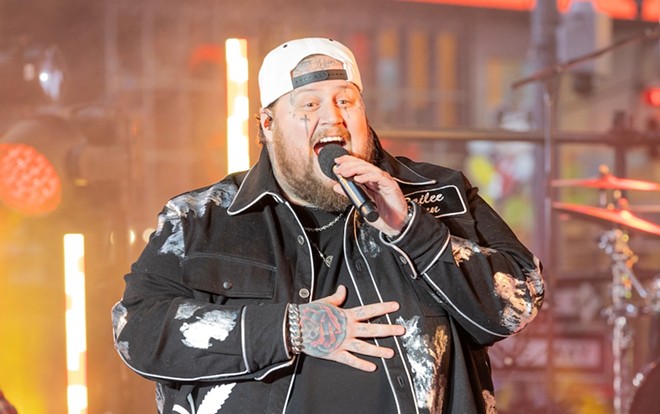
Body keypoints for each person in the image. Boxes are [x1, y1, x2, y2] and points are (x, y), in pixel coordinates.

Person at [112, 37, 544, 414]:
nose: (333, 118)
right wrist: (288, 329)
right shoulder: (203, 218)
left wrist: (412, 230)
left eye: (345, 100)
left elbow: (520, 300)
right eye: (310, 104)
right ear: (267, 125)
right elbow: (140, 330)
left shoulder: (438, 194)